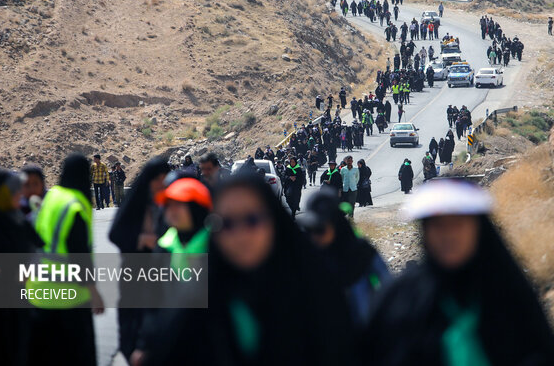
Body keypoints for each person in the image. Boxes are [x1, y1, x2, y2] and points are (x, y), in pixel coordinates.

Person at [135, 174, 355, 366]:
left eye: (251, 220)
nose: (240, 235)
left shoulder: (315, 289)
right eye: (227, 224)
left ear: (274, 221)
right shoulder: (204, 296)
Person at [364, 180, 554, 366]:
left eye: (458, 223)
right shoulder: (400, 299)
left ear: (479, 228)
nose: (449, 235)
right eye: (438, 225)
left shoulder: (507, 293)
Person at [29, 153, 105, 366]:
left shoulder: (53, 197)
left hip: (39, 291)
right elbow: (79, 255)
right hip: (68, 297)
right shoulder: (75, 206)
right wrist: (94, 292)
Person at [108, 158, 170, 361]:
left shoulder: (167, 202)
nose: (162, 184)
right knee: (130, 327)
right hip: (133, 272)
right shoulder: (136, 202)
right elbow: (115, 233)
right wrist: (140, 239)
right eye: (159, 179)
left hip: (160, 274)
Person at [299, 190, 390, 326]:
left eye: (320, 229)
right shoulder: (307, 256)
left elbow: (389, 287)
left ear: (336, 225)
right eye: (310, 230)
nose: (315, 236)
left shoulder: (361, 251)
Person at [0, 169, 44, 366]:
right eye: (15, 191)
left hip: (20, 300)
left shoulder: (16, 218)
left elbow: (36, 248)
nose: (20, 194)